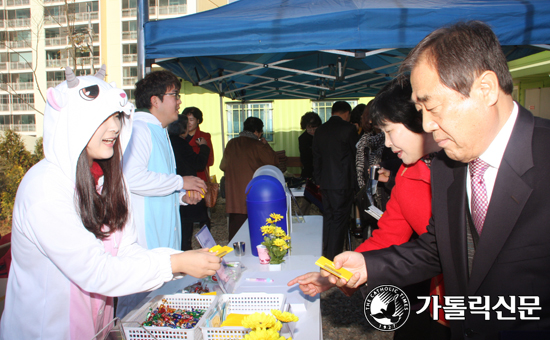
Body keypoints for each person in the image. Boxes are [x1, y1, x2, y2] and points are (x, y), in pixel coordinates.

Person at [324, 21, 550, 338]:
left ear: (484, 89)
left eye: (431, 106)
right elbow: (438, 248)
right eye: (419, 110)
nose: (426, 125)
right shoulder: (448, 167)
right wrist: (368, 265)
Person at [0, 67, 221, 339]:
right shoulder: (45, 187)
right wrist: (173, 263)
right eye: (102, 118)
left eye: (116, 116)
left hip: (96, 328)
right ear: (71, 121)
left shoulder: (107, 180)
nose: (115, 127)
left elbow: (126, 249)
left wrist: (178, 261)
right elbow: (95, 270)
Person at [289, 78, 449, 339]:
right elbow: (388, 235)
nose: (386, 144)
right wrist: (334, 275)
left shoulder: (464, 170)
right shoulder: (409, 174)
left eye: (390, 131)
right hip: (425, 289)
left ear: (421, 120)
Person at [119, 70, 207, 318]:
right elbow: (131, 178)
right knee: (137, 311)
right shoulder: (139, 130)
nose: (179, 101)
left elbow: (155, 184)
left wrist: (181, 196)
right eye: (174, 95)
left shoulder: (159, 130)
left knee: (157, 308)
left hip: (162, 230)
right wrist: (180, 181)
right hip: (144, 237)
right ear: (155, 101)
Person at [220, 117, 279, 241]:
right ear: (257, 131)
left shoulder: (231, 143)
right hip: (253, 194)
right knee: (255, 232)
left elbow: (223, 166)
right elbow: (273, 163)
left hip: (234, 195)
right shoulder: (257, 145)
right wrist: (266, 145)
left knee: (235, 233)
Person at [312, 101, 358, 260]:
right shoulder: (349, 129)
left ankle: (325, 253)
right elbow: (356, 155)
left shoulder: (320, 130)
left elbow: (316, 157)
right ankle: (333, 258)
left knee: (329, 218)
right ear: (347, 113)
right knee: (339, 220)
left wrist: (318, 180)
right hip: (343, 182)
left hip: (325, 182)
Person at [168, 115, 211, 250]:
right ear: (183, 129)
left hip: (174, 188)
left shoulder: (169, 141)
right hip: (184, 189)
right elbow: (198, 163)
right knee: (185, 229)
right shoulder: (180, 144)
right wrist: (204, 147)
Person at [183, 106, 214, 183]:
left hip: (200, 179)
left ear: (198, 120)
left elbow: (210, 160)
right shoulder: (179, 138)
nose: (188, 123)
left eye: (191, 120)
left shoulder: (204, 137)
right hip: (184, 179)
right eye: (186, 120)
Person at [298, 111, 322, 179]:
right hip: (308, 171)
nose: (312, 131)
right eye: (309, 129)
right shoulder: (303, 138)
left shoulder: (323, 136)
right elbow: (304, 159)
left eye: (314, 129)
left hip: (323, 171)